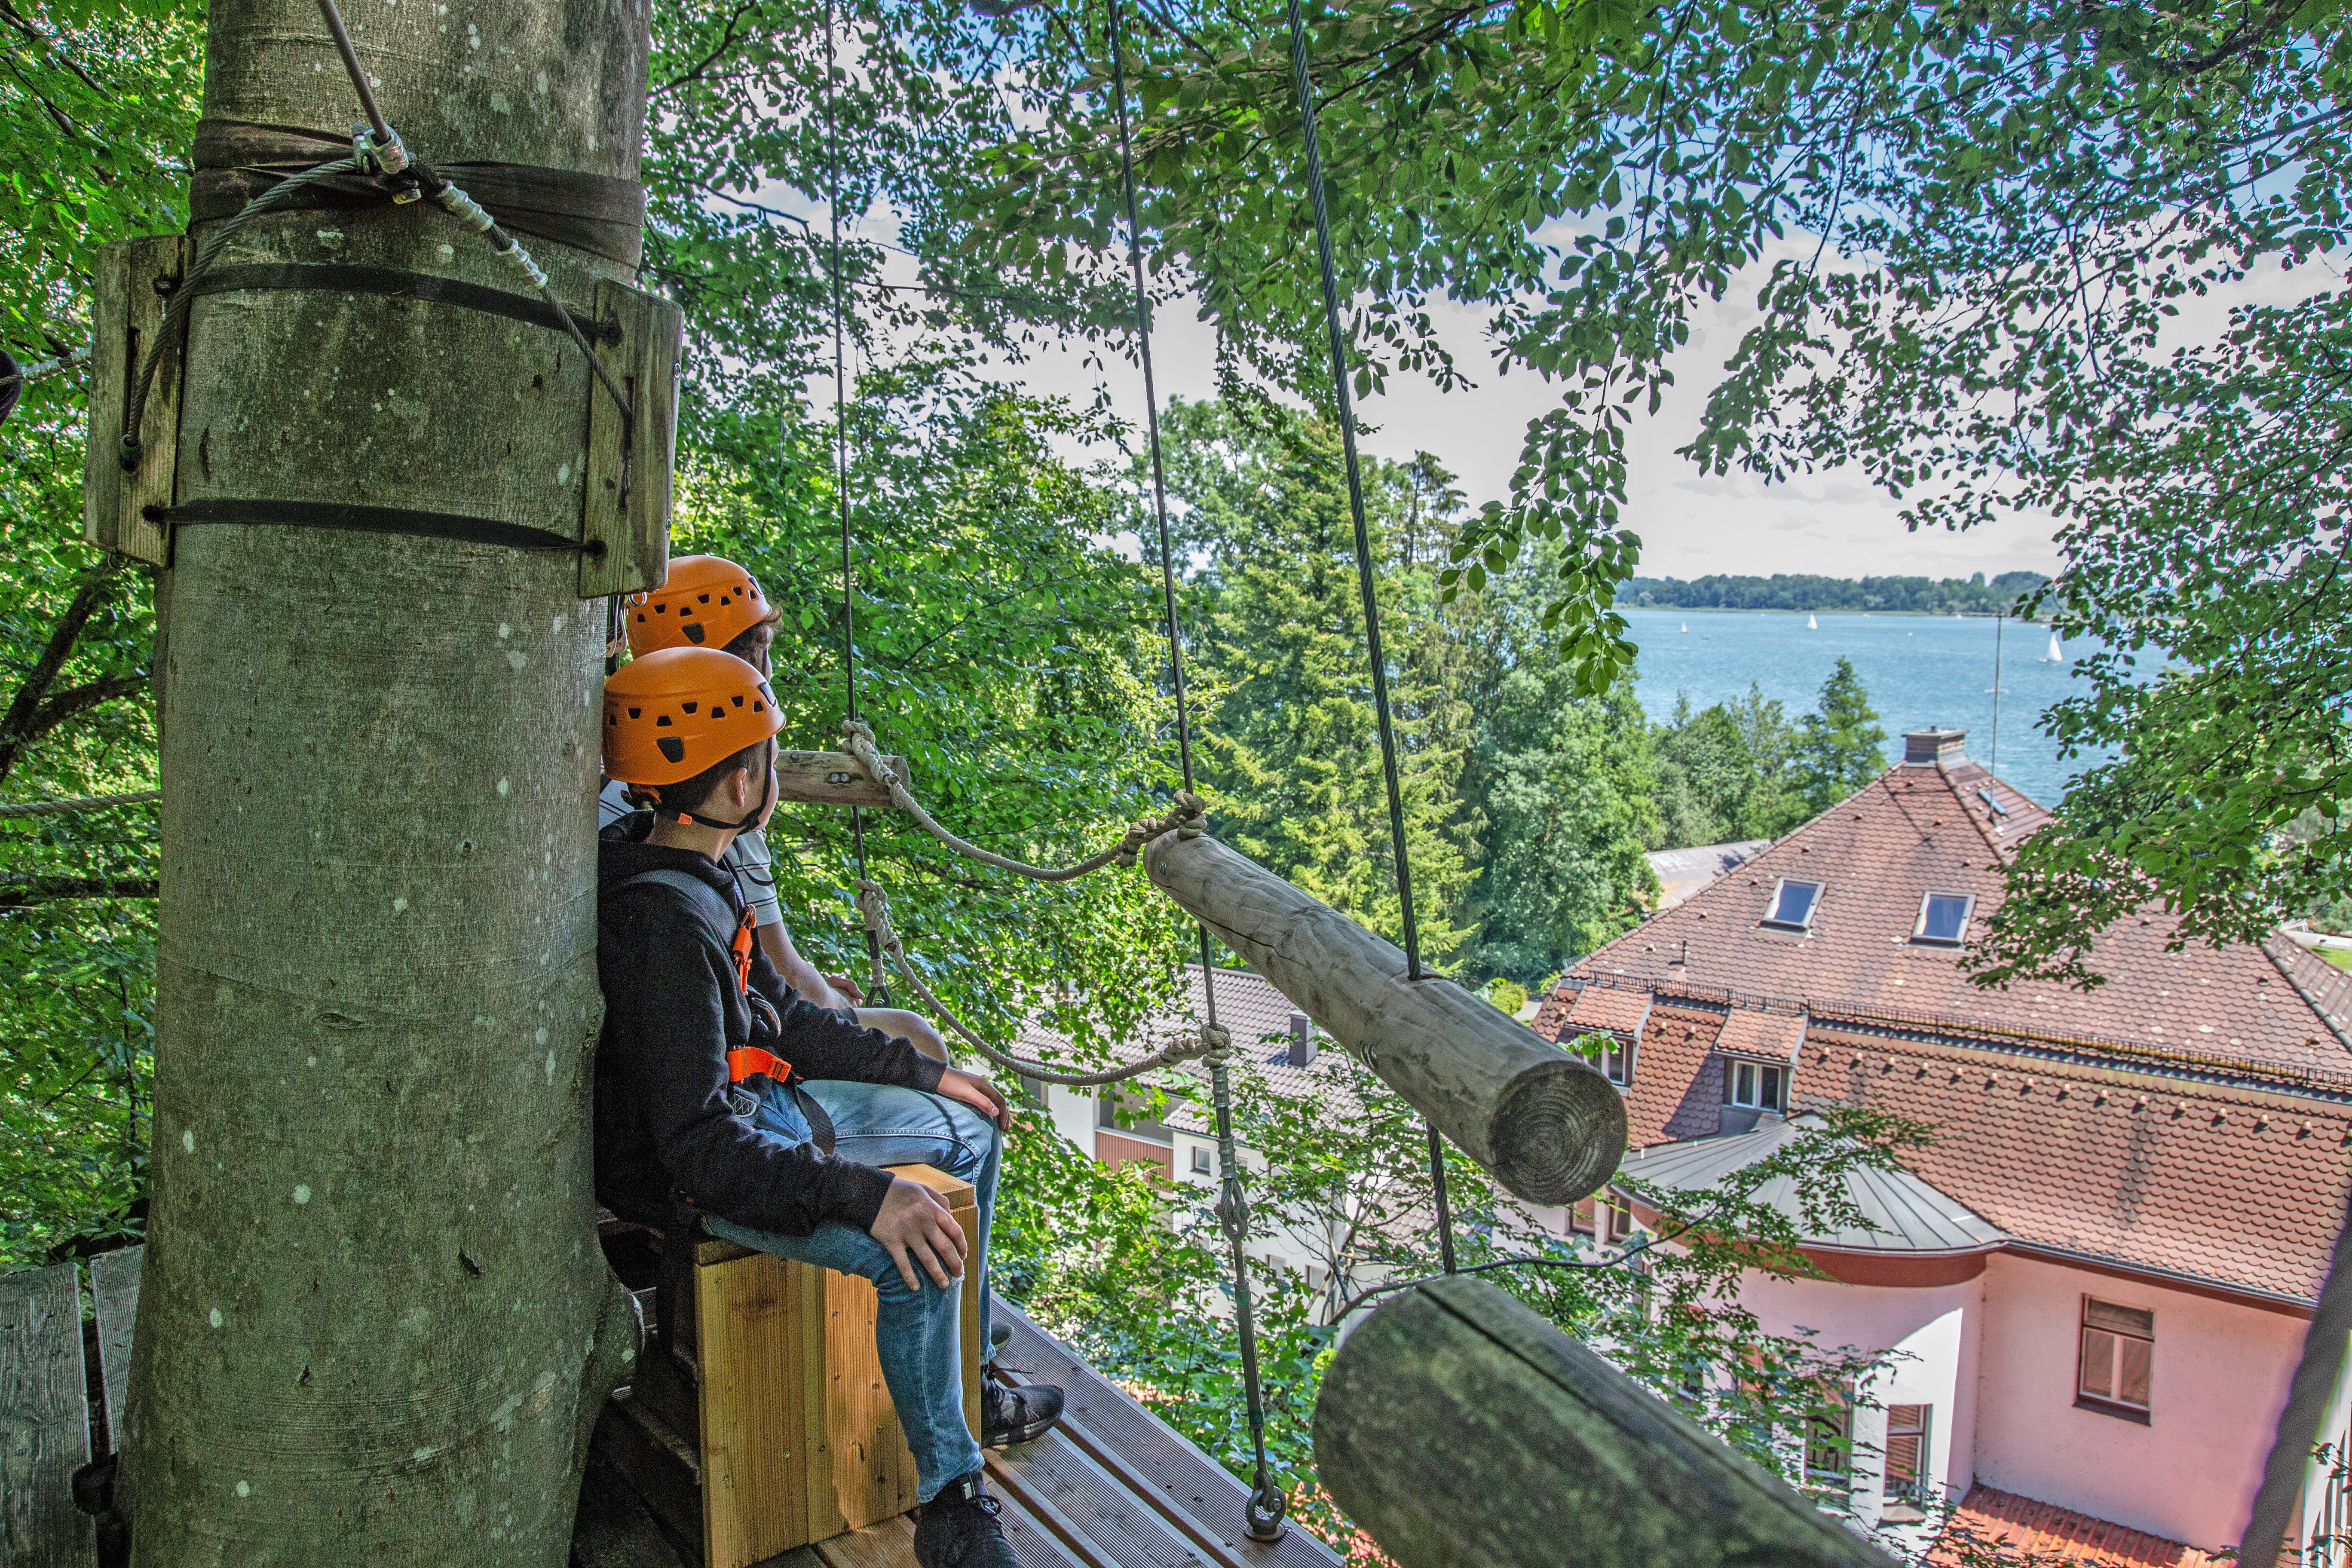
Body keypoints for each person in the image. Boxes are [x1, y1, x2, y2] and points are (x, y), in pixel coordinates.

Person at [595, 646, 1062, 1568]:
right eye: (767, 758)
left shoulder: (681, 869)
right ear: (740, 785)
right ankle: (952, 1498)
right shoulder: (667, 927)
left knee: (967, 1130)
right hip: (710, 1168)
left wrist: (925, 1075)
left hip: (754, 1119)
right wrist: (867, 1195)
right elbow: (697, 1147)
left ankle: (958, 1376)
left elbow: (788, 1017)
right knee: (913, 1251)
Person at [601, 553, 948, 1060]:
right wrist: (823, 999)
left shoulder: (628, 774)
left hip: (647, 1028)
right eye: (764, 652)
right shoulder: (716, 806)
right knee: (919, 1039)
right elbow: (788, 986)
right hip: (709, 1050)